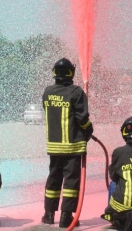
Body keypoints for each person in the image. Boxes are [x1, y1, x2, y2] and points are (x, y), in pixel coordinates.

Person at [41, 58, 93, 227]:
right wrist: (88, 129)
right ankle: (66, 216)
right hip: (73, 146)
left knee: (53, 179)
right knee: (71, 181)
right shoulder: (76, 92)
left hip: (54, 147)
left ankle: (48, 214)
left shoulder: (48, 92)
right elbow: (82, 118)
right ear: (71, 72)